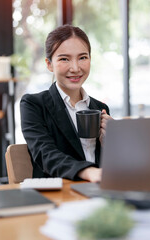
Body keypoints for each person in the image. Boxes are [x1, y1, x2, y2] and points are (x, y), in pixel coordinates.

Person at [20, 25, 113, 183]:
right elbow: (45, 154)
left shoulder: (99, 108)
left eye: (83, 57)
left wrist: (112, 143)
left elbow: (108, 168)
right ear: (49, 64)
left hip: (98, 193)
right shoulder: (33, 105)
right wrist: (88, 172)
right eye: (64, 59)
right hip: (58, 194)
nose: (75, 68)